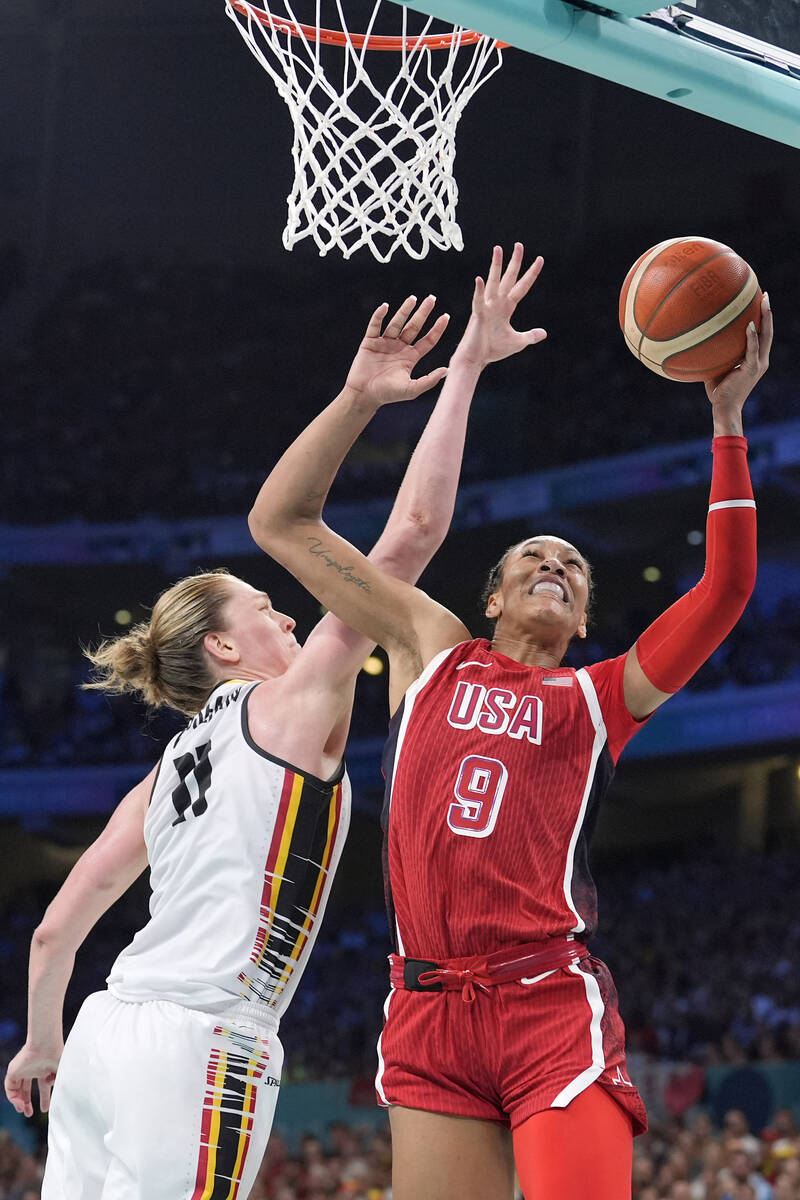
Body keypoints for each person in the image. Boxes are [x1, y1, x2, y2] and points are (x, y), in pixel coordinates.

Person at [248, 243, 772, 1200]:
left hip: (543, 998)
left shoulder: (599, 698)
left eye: (573, 569)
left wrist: (726, 421)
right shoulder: (430, 646)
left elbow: (727, 586)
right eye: (534, 554)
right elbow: (281, 522)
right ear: (490, 599)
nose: (554, 566)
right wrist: (363, 398)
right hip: (428, 1007)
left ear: (580, 618)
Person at [2, 279, 542, 1198]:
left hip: (102, 1034)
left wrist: (42, 1040)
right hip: (203, 1043)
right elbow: (409, 537)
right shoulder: (291, 706)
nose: (289, 614)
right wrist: (465, 372)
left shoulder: (162, 776)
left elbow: (59, 930)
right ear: (221, 647)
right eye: (263, 607)